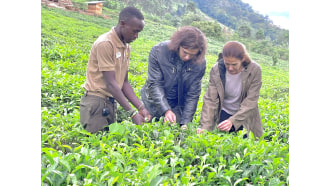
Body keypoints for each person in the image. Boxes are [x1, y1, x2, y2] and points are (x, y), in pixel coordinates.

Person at [80, 6, 151, 133]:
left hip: (111, 102)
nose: (136, 36)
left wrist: (141, 107)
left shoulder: (126, 46)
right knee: (95, 146)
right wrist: (132, 113)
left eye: (138, 32)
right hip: (96, 102)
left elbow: (124, 83)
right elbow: (111, 84)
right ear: (122, 24)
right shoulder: (106, 43)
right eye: (134, 31)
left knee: (108, 145)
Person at [140, 26, 207, 129]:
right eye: (185, 52)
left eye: (192, 55)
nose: (187, 57)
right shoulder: (159, 51)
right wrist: (166, 110)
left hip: (177, 105)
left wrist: (185, 122)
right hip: (152, 102)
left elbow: (192, 94)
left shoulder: (199, 63)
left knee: (175, 133)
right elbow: (155, 84)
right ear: (178, 45)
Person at [197, 41, 263, 138]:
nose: (230, 68)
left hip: (244, 115)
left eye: (234, 64)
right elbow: (211, 100)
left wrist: (233, 121)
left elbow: (251, 100)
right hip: (224, 112)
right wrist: (205, 127)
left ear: (243, 59)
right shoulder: (217, 70)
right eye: (227, 64)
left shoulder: (254, 70)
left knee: (246, 145)